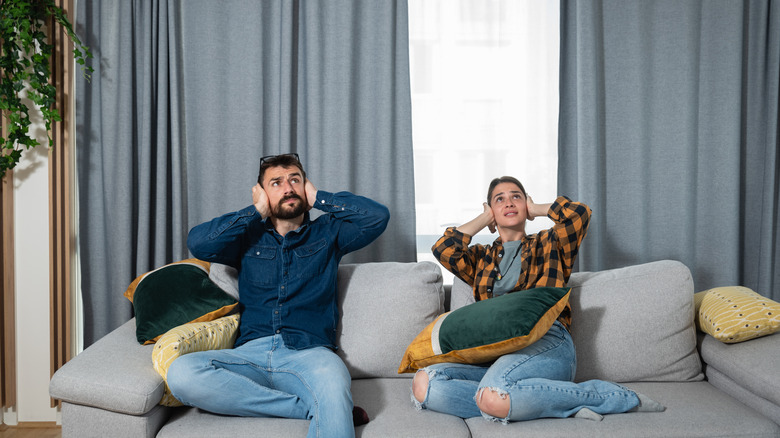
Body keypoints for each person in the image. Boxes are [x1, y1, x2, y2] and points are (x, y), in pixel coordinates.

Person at [167, 153, 389, 438]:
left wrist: (319, 197)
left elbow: (378, 217)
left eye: (294, 179)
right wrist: (255, 211)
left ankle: (327, 404)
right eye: (276, 183)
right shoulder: (246, 235)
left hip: (310, 354)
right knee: (181, 373)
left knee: (334, 384)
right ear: (261, 193)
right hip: (251, 354)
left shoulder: (328, 233)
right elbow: (198, 242)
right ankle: (305, 408)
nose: (288, 188)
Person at [411, 176, 664, 423]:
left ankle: (611, 396)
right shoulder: (480, 258)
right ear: (491, 213)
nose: (509, 202)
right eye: (500, 199)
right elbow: (444, 248)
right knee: (425, 384)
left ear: (526, 205)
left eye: (516, 197)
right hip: (495, 354)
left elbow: (580, 214)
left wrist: (535, 208)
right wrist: (485, 217)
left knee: (493, 393)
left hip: (548, 343)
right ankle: (546, 402)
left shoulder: (550, 243)